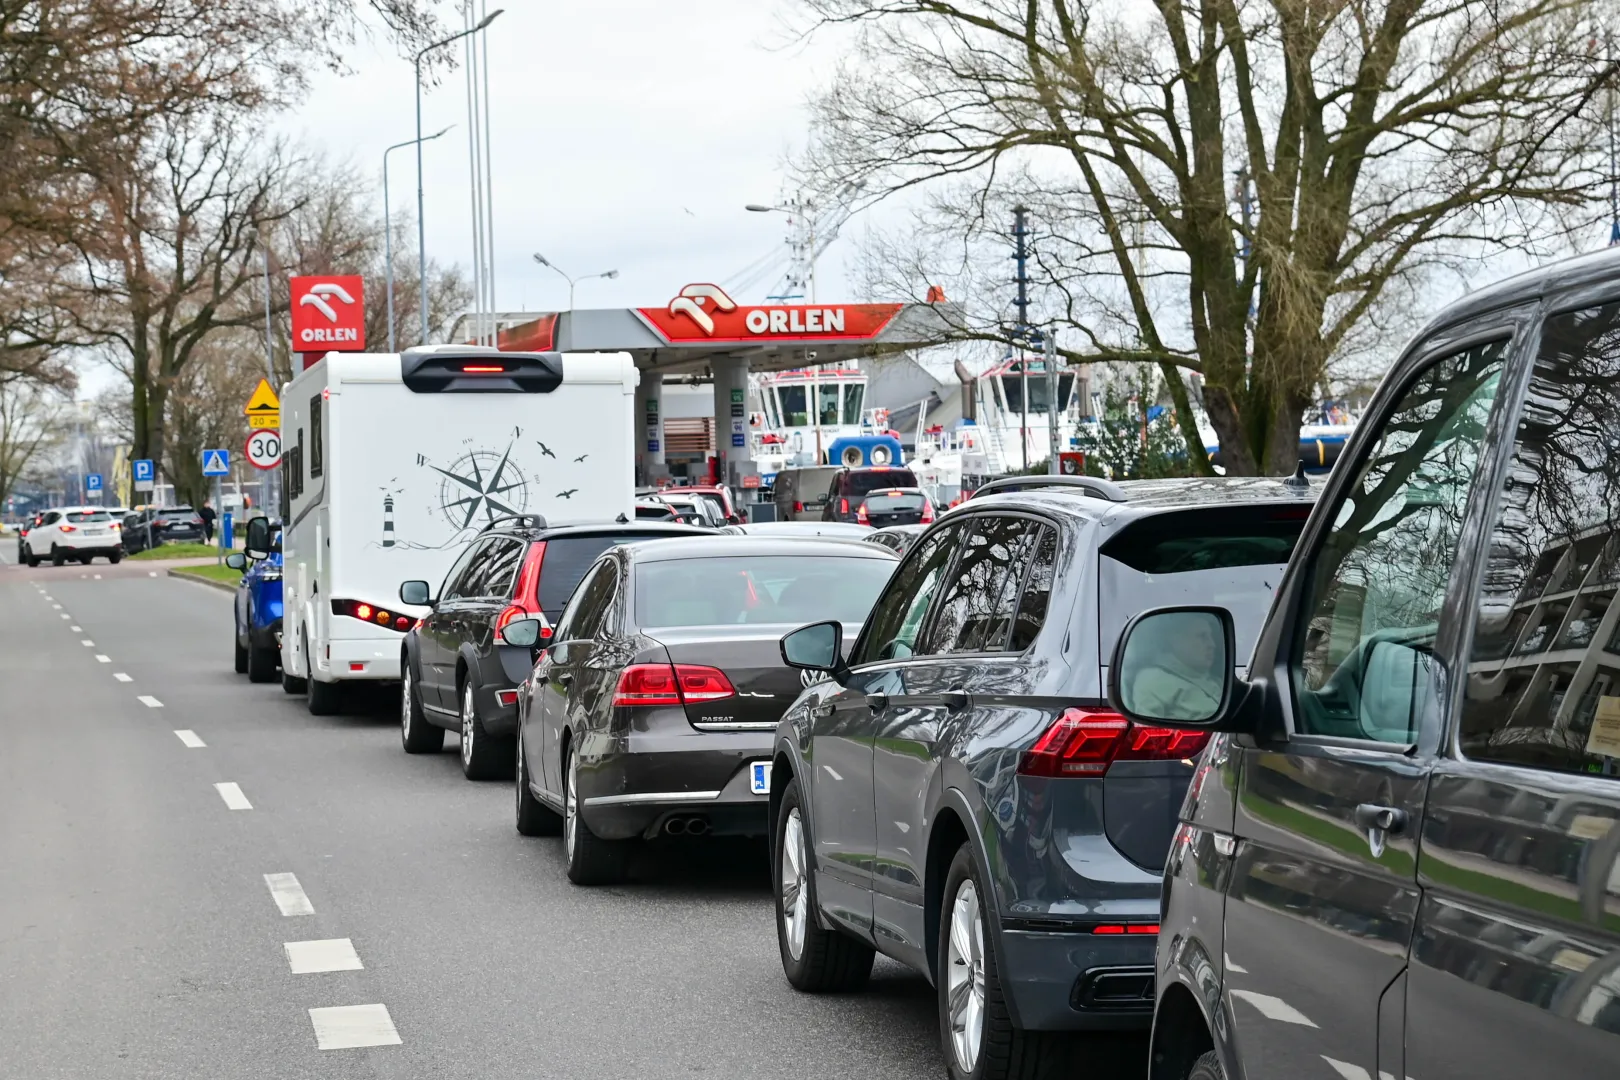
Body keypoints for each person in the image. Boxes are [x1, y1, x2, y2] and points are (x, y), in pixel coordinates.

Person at [1126, 614, 1224, 722]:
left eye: (1211, 637)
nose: (1212, 644)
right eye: (1202, 636)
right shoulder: (1153, 680)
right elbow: (1150, 730)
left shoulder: (1217, 680)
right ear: (1176, 640)